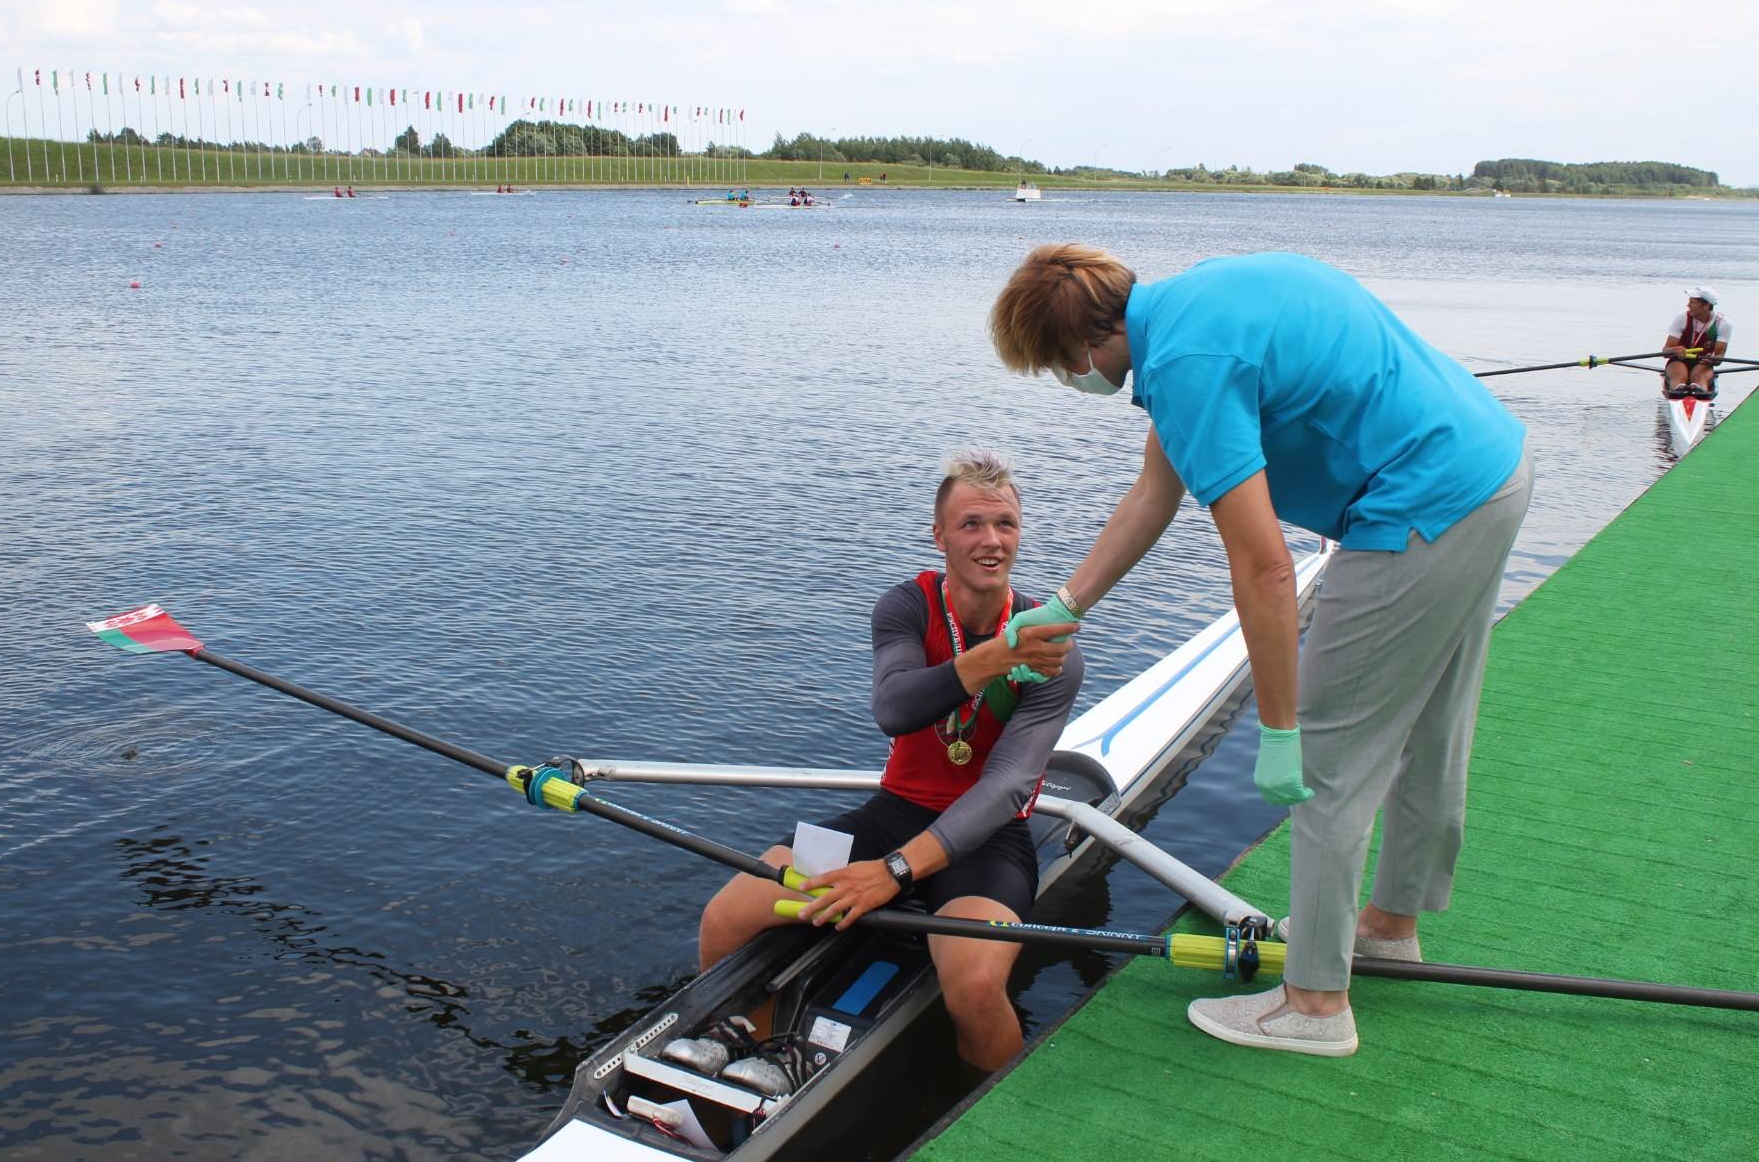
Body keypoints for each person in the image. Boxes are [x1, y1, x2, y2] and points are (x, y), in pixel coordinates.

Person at [988, 246, 1530, 1057]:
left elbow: (1267, 565)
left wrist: (1282, 728)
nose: (1072, 383)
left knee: (1329, 760)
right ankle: (1385, 926)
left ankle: (1314, 1004)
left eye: (1059, 371)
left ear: (1081, 352)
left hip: (1416, 506)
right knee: (1434, 723)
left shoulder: (1184, 365)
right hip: (1491, 468)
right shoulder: (1186, 309)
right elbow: (1154, 493)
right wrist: (1066, 605)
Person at [696, 449, 1083, 1072]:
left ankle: (982, 1114)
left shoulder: (1051, 649)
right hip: (890, 815)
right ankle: (751, 1041)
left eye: (1005, 524)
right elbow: (895, 708)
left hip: (983, 840)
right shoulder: (906, 607)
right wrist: (992, 659)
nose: (991, 541)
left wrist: (896, 871)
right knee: (727, 916)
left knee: (977, 988)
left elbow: (1009, 787)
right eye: (971, 524)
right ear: (939, 536)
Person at [1662, 286, 1731, 398]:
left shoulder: (1723, 324)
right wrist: (1673, 350)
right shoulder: (1682, 318)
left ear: (1706, 306)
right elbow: (1665, 352)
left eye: (1692, 302)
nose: (1688, 305)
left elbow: (1719, 358)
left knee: (1700, 379)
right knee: (1679, 376)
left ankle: (1699, 394)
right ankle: (1678, 392)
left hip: (1702, 363)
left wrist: (1713, 359)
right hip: (1678, 360)